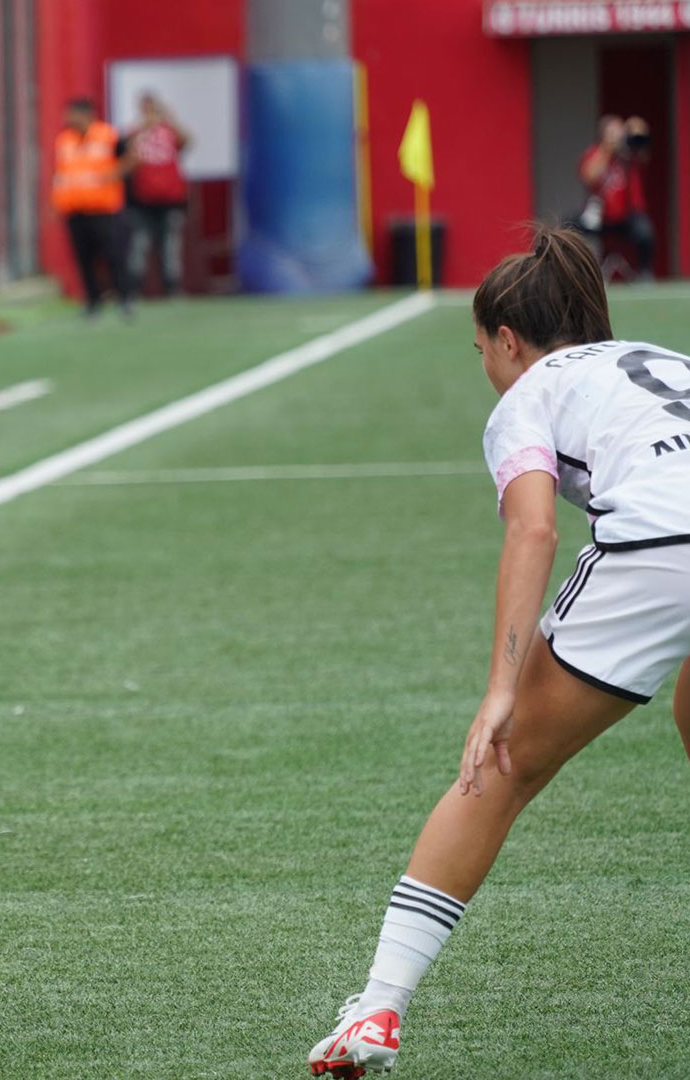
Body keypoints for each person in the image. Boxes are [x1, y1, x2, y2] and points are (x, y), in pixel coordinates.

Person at [308, 225, 690, 1075]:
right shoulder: (664, 358)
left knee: (502, 765)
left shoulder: (528, 395)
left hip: (662, 548)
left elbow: (534, 529)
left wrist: (500, 690)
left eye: (480, 348)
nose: (483, 363)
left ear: (508, 342)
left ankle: (375, 1011)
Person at [51, 97, 131, 319]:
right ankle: (93, 301)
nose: (67, 119)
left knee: (113, 256)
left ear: (87, 115)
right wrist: (56, 203)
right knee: (84, 258)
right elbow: (61, 174)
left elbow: (132, 157)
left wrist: (117, 174)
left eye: (72, 114)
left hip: (104, 208)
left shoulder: (109, 135)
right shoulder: (64, 140)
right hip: (75, 209)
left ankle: (124, 298)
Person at [124, 92, 190, 297]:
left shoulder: (169, 130)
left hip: (171, 199)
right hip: (143, 200)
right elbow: (124, 151)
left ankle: (172, 287)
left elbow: (187, 141)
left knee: (170, 245)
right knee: (140, 244)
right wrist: (144, 127)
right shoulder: (135, 132)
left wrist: (169, 117)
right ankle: (135, 287)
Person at [578, 114, 655, 280]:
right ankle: (576, 274)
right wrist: (607, 150)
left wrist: (637, 132)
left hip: (627, 216)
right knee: (568, 226)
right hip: (600, 217)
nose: (617, 136)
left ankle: (645, 274)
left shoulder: (628, 153)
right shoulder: (594, 153)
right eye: (613, 132)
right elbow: (589, 176)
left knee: (645, 230)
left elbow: (644, 155)